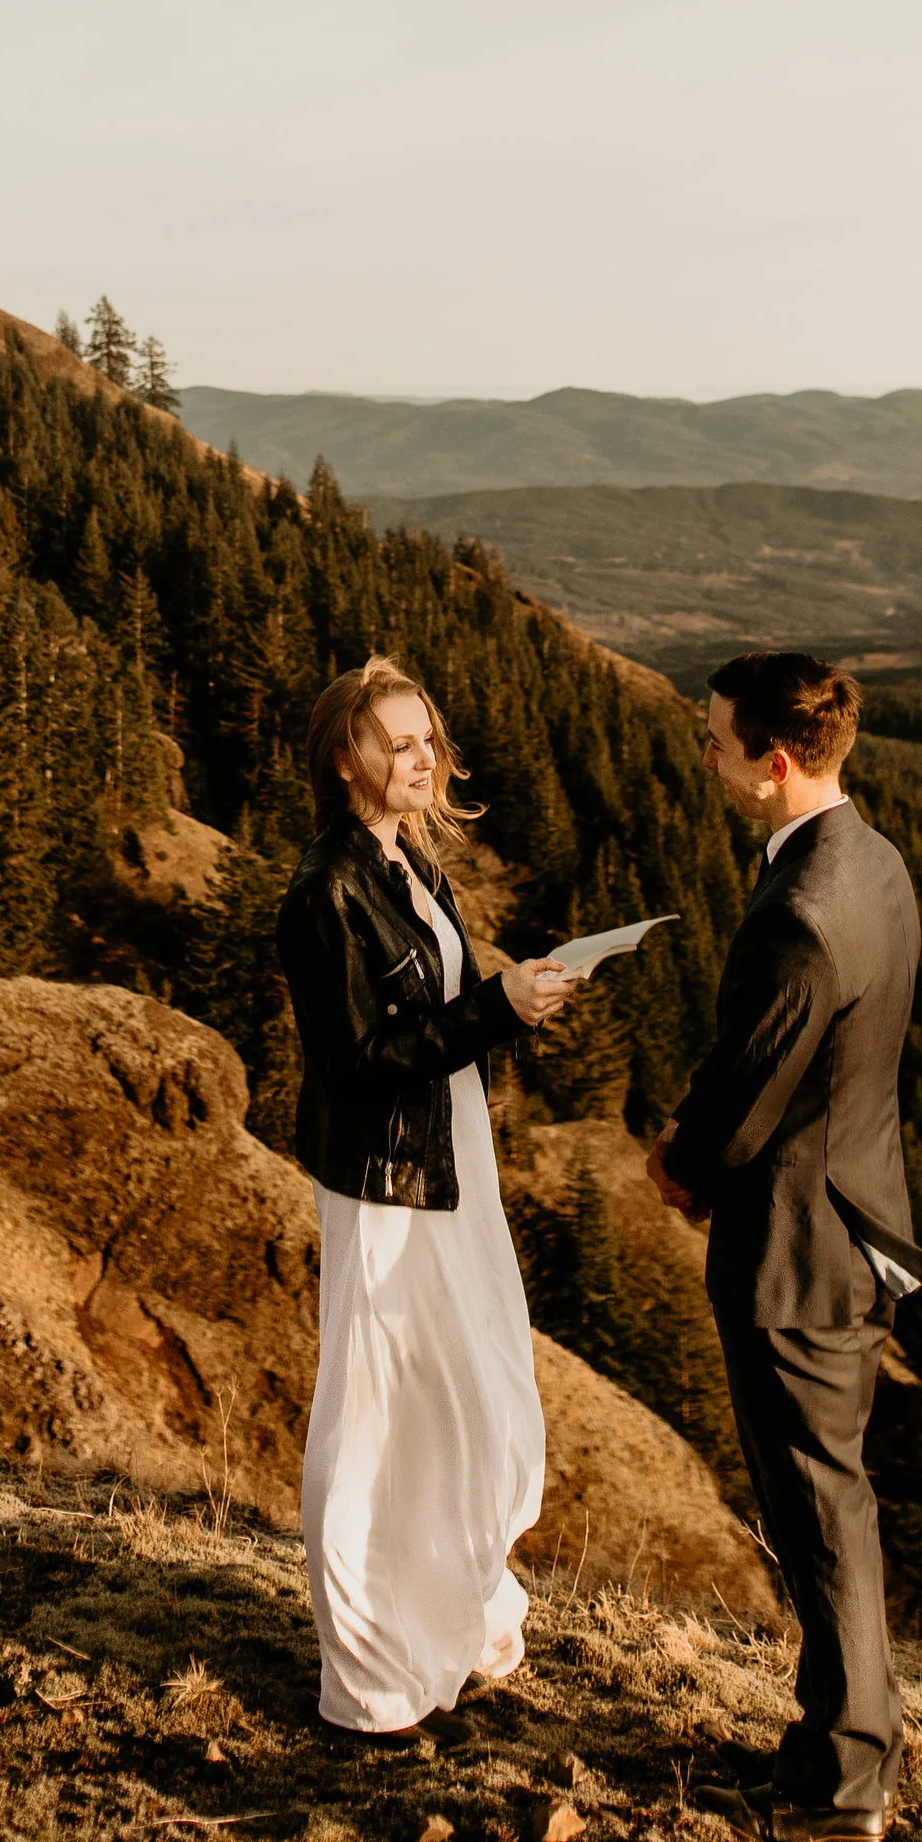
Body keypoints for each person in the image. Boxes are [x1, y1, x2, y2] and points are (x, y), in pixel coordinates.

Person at [647, 651, 922, 1842]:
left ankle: (845, 1785)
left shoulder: (798, 919)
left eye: (714, 742)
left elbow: (747, 1096)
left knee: (818, 1511)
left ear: (772, 763)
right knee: (830, 1499)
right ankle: (831, 1742)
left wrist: (678, 1167)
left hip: (796, 1253)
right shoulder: (873, 861)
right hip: (857, 1217)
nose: (703, 757)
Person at [277, 653, 580, 1743]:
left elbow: (436, 1017)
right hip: (385, 1182)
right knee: (378, 1411)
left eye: (426, 740)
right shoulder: (326, 893)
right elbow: (362, 1059)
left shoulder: (409, 866)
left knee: (477, 1384)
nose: (419, 759)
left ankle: (465, 1615)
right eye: (394, 742)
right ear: (343, 759)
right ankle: (365, 1674)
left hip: (449, 1161)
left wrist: (511, 996)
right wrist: (496, 1006)